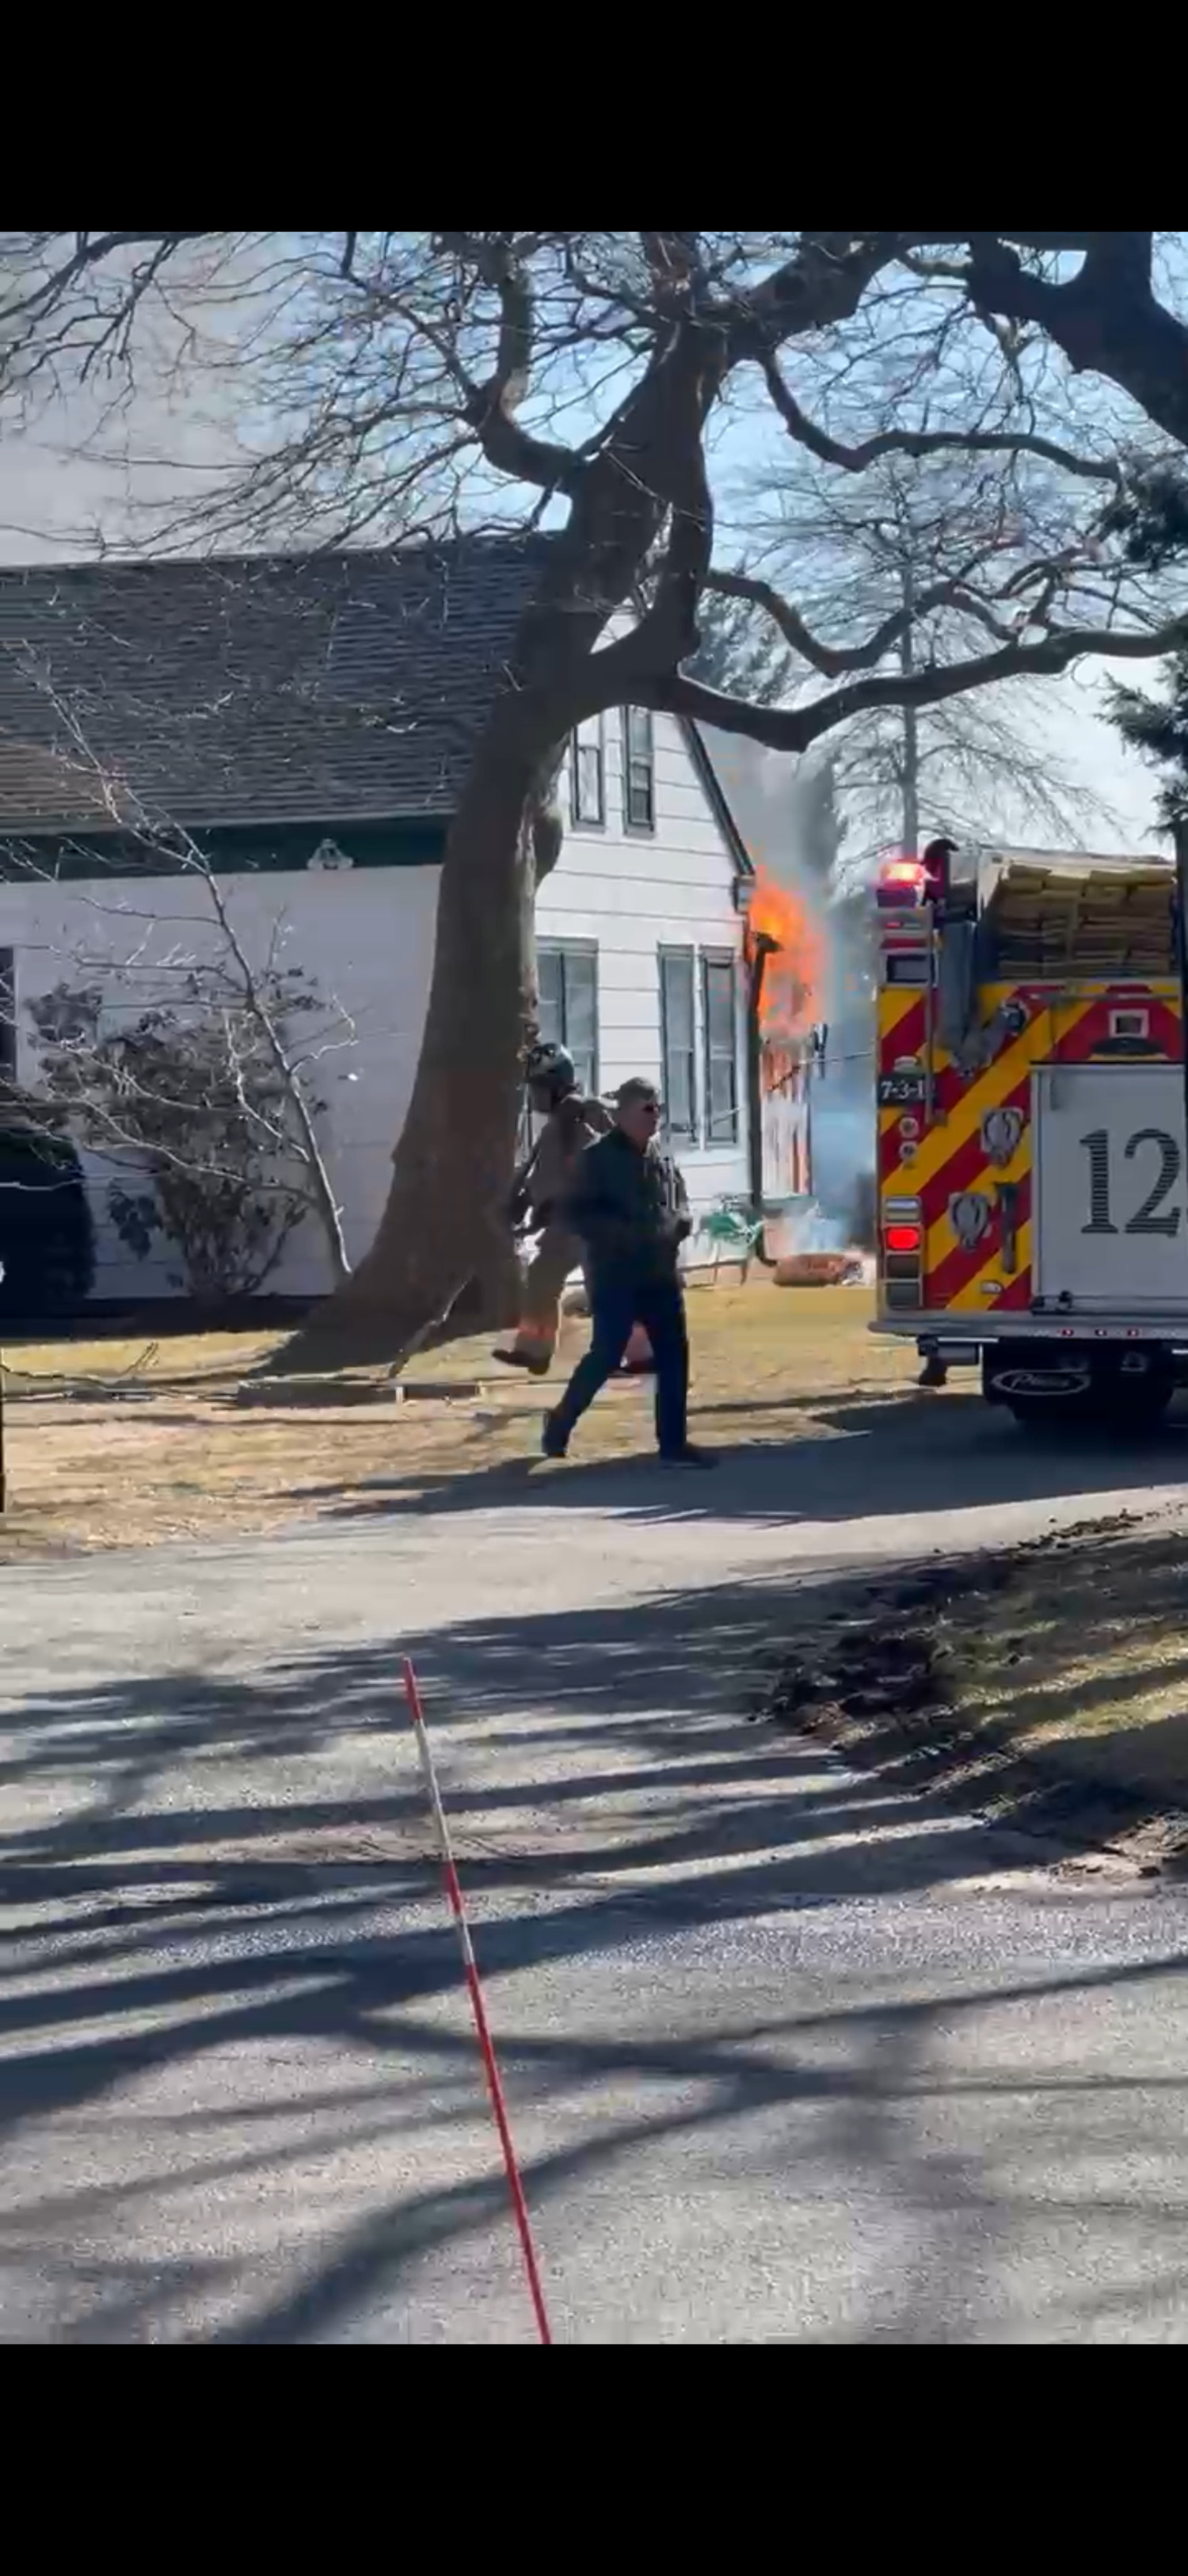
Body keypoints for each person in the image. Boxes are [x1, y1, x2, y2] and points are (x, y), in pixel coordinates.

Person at [542, 1076, 715, 1467]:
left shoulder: (663, 1157)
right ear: (622, 1115)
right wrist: (620, 1233)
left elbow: (681, 1202)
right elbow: (573, 1212)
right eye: (647, 1110)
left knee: (674, 1355)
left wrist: (680, 1223)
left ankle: (673, 1444)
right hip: (615, 1272)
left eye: (659, 1110)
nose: (655, 1118)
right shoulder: (597, 1158)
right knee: (606, 1354)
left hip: (659, 1271)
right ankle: (559, 1421)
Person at [493, 1040, 611, 1378]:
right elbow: (547, 1172)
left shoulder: (582, 1116)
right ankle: (534, 1351)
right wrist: (527, 1200)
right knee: (544, 1280)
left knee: (600, 1289)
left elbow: (594, 1166)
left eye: (538, 1088)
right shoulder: (555, 1125)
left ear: (555, 1084)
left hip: (589, 1221)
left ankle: (627, 1354)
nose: (534, 1097)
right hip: (565, 1222)